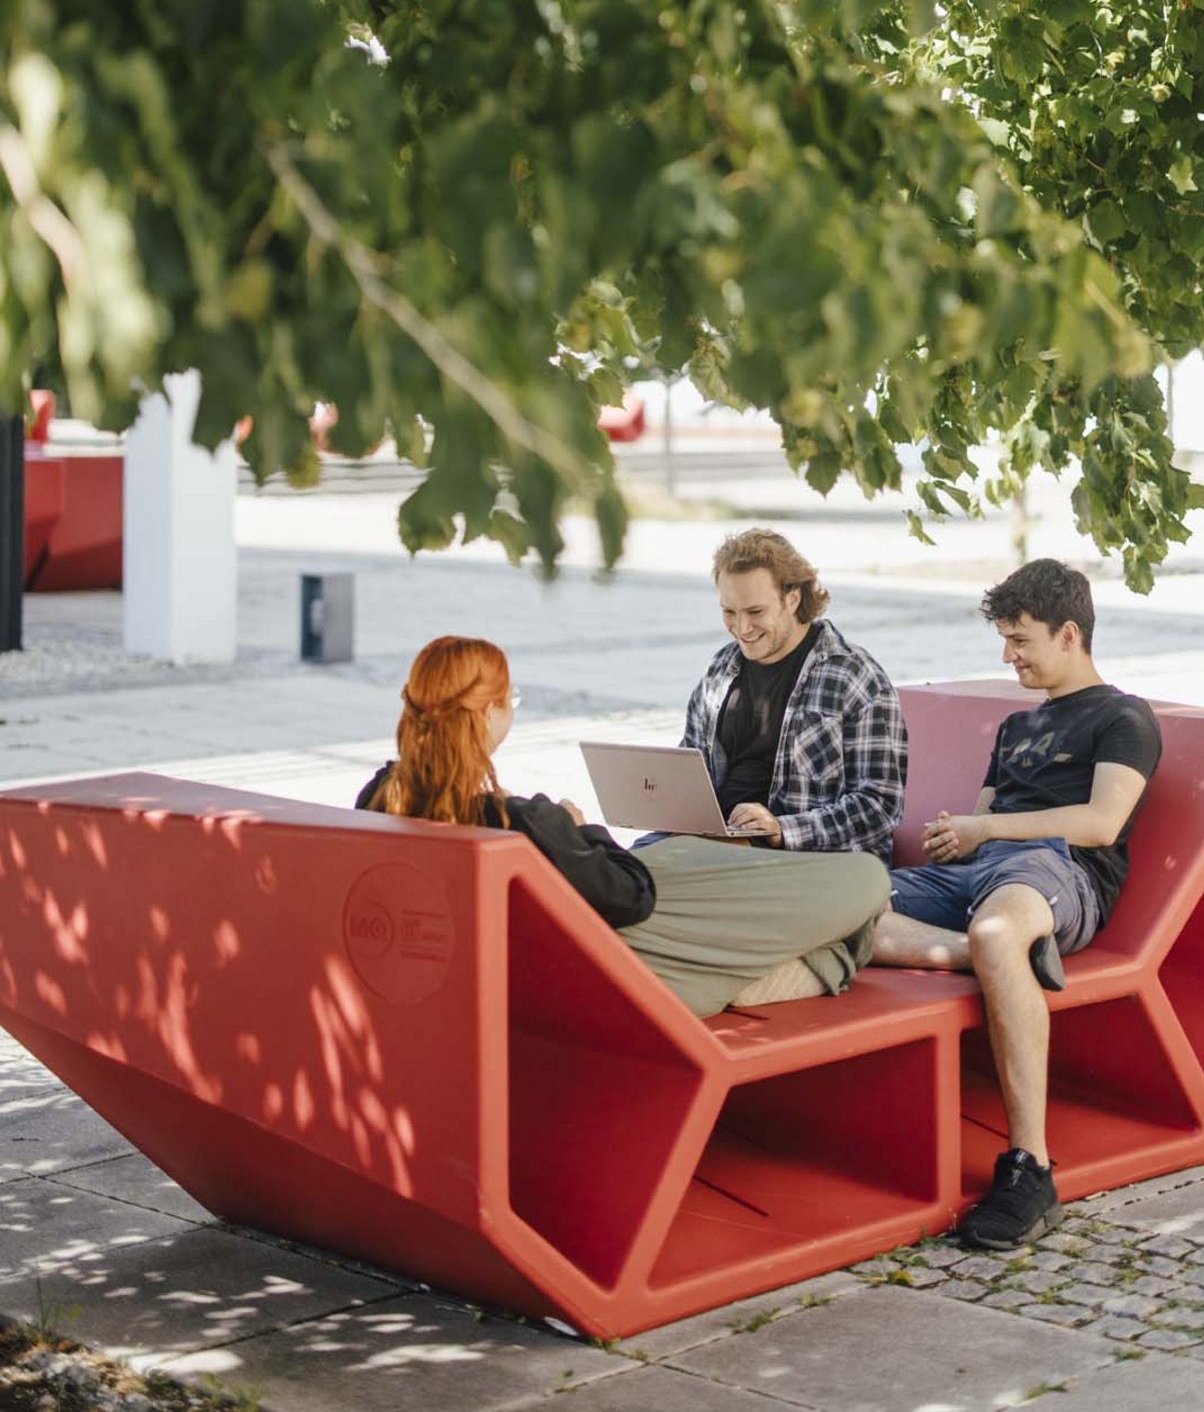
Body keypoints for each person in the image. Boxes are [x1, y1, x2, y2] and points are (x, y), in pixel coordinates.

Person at [357, 634, 891, 1017]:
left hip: (539, 962)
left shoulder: (381, 797)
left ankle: (772, 957)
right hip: (614, 951)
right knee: (866, 878)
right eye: (510, 700)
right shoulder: (527, 823)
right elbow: (631, 897)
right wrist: (578, 827)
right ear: (487, 714)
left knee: (687, 853)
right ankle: (814, 957)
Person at [871, 559, 1161, 1248]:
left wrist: (986, 830)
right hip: (984, 873)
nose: (1009, 655)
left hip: (1060, 871)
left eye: (1021, 639)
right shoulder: (1015, 729)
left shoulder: (1124, 716)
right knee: (846, 900)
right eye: (1004, 639)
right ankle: (998, 957)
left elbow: (1100, 824)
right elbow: (978, 826)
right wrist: (955, 838)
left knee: (1002, 927)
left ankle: (1029, 1167)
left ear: (1069, 634)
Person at [676, 528, 908, 859]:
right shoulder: (721, 668)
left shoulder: (853, 677)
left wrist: (781, 829)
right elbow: (690, 769)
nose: (742, 628)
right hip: (720, 844)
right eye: (729, 612)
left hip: (807, 859)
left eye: (756, 612)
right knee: (617, 871)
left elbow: (879, 807)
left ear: (793, 598)